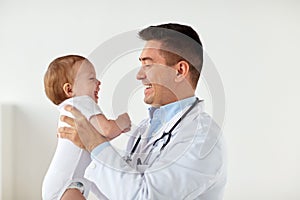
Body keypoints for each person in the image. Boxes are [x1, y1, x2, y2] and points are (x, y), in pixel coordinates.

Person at [59, 23, 227, 199]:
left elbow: (146, 196)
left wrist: (95, 144)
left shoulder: (203, 139)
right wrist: (76, 185)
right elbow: (122, 192)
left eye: (148, 65)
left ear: (180, 71)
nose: (139, 75)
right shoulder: (146, 128)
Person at [42, 55, 131, 200]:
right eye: (91, 79)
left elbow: (99, 139)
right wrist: (121, 122)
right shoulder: (81, 102)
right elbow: (107, 130)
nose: (98, 82)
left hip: (63, 184)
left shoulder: (70, 109)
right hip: (68, 185)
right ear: (69, 90)